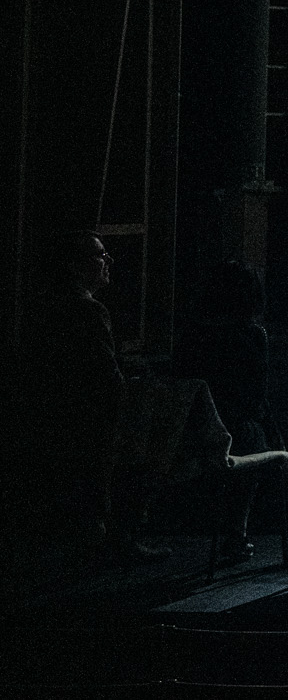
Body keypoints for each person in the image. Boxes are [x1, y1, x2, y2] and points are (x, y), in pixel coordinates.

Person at [172, 262, 288, 562]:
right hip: (234, 430)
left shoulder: (192, 336)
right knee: (253, 428)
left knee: (253, 425)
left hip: (188, 428)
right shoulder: (252, 335)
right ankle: (284, 483)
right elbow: (255, 397)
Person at [18, 231, 127, 554]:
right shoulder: (88, 310)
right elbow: (105, 377)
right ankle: (119, 537)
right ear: (77, 267)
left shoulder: (45, 306)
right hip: (88, 416)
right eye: (100, 255)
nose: (108, 261)